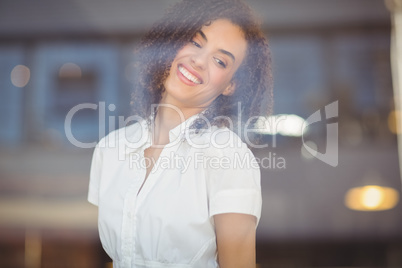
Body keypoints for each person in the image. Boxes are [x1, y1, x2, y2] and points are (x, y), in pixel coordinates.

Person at [88, 0, 272, 267]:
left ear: (231, 85)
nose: (198, 61)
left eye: (219, 61)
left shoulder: (227, 155)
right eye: (196, 43)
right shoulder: (110, 149)